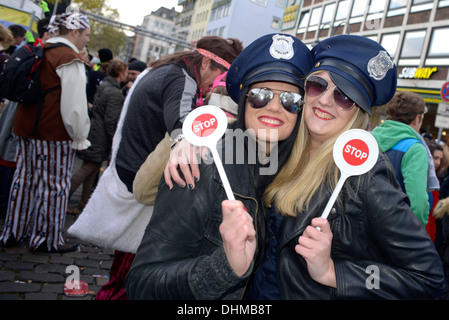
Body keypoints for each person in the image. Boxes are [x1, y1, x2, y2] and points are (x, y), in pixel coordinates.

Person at [250, 35, 444, 299]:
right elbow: (235, 147)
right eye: (318, 85)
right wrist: (189, 144)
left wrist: (333, 272)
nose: (325, 100)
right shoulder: (285, 146)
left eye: (344, 96)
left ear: (358, 113)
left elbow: (427, 278)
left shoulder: (366, 174)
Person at [124, 33, 313, 300]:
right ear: (245, 99)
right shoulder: (203, 165)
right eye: (261, 94)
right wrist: (224, 268)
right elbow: (142, 284)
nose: (274, 107)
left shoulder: (293, 172)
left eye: (290, 100)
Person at [68, 35, 245, 300]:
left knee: (125, 269)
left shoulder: (164, 68)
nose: (217, 84)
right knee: (133, 275)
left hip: (130, 170)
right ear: (207, 62)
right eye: (221, 75)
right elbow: (182, 122)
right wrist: (189, 137)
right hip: (143, 184)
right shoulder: (182, 79)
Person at [0, 12, 91, 252]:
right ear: (74, 32)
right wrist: (80, 137)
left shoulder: (41, 49)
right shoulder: (67, 57)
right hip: (53, 132)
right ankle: (45, 238)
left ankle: (13, 231)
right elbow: (75, 107)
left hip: (25, 127)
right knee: (54, 186)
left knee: (23, 182)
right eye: (86, 34)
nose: (86, 40)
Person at [0, 18, 51, 219]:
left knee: (6, 148)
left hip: (14, 106)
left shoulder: (29, 49)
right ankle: (5, 204)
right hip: (22, 109)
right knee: (11, 153)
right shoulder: (41, 54)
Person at [68, 59, 128, 215]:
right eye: (126, 72)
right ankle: (64, 198)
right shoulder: (115, 93)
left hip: (94, 131)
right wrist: (113, 139)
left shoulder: (104, 86)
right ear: (120, 73)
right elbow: (111, 121)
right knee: (87, 168)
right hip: (100, 137)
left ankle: (84, 200)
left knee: (93, 168)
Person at [371, 91, 430, 225]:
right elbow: (418, 203)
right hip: (393, 227)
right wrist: (417, 231)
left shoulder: (369, 138)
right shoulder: (415, 149)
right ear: (417, 118)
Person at [426, 141, 444, 241]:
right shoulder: (422, 177)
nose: (438, 163)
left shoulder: (434, 178)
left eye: (440, 159)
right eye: (435, 158)